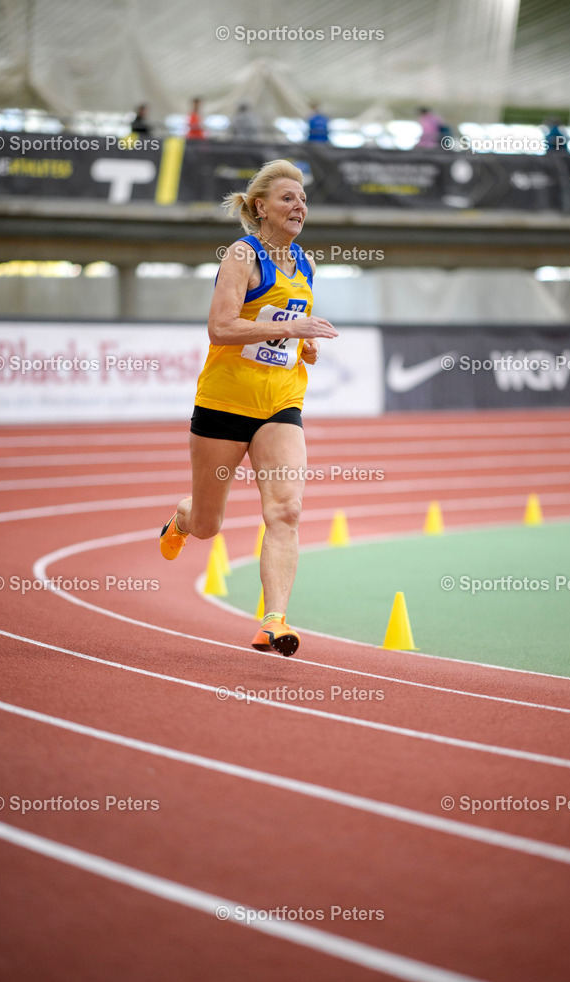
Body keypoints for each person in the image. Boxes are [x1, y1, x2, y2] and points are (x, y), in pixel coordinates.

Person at [159, 159, 338, 657]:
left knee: (287, 510)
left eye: (303, 199)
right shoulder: (243, 255)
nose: (299, 206)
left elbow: (284, 324)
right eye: (287, 198)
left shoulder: (306, 263)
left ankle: (273, 621)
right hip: (224, 403)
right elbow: (221, 328)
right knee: (208, 525)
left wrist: (302, 345)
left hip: (281, 401)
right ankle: (184, 514)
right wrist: (293, 329)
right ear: (260, 207)